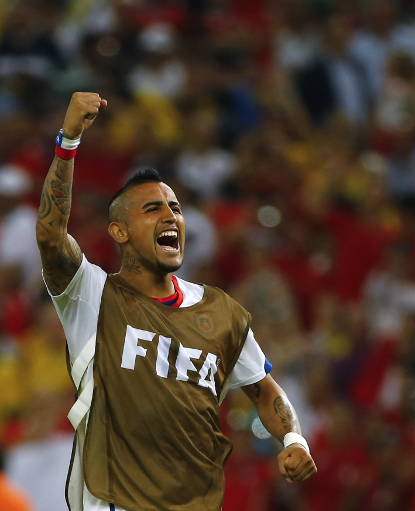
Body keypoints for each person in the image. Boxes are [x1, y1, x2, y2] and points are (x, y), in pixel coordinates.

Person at [35, 92, 316, 511]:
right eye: (153, 209)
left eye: (176, 208)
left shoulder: (221, 311)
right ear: (120, 232)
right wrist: (69, 141)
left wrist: (294, 439)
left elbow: (263, 388)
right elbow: (50, 236)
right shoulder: (92, 293)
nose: (171, 216)